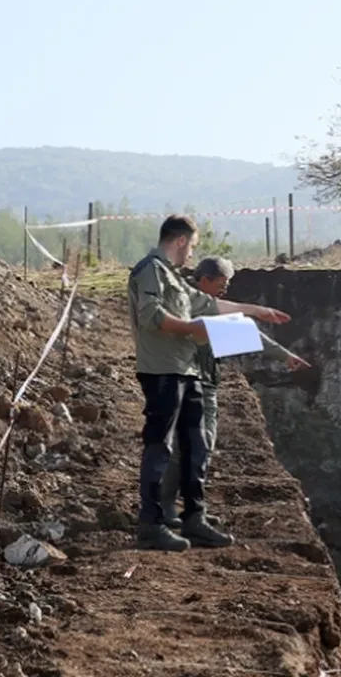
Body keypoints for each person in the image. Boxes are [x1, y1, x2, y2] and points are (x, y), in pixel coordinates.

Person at [127, 215, 291, 552]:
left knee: (196, 444)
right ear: (181, 240)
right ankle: (152, 524)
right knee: (160, 447)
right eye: (192, 246)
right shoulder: (150, 270)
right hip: (163, 370)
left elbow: (209, 304)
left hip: (186, 370)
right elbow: (151, 316)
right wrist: (192, 328)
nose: (191, 254)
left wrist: (255, 310)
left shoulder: (172, 276)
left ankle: (194, 517)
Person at [161, 256, 311, 528]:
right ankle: (168, 506)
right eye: (221, 284)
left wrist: (284, 356)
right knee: (190, 446)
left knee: (201, 446)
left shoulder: (206, 305)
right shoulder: (183, 302)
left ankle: (189, 509)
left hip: (206, 383)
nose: (225, 289)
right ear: (204, 280)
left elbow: (244, 332)